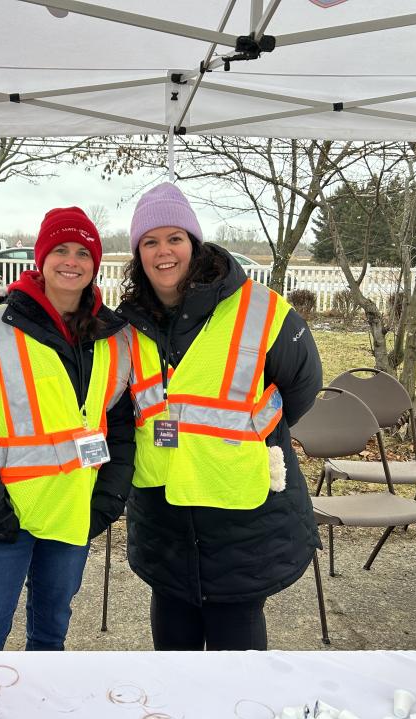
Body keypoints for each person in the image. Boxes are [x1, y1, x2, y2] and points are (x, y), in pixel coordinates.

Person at [116, 183, 323, 651]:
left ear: (195, 243)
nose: (163, 251)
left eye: (175, 238)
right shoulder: (127, 325)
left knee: (237, 663)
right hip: (163, 512)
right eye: (150, 242)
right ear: (137, 254)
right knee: (173, 650)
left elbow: (301, 388)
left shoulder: (261, 309)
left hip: (240, 508)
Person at [0, 206, 135, 651]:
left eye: (83, 252)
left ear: (95, 263)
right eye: (61, 250)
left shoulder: (113, 338)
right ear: (41, 259)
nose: (72, 261)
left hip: (71, 514)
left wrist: (106, 501)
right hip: (1, 519)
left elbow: (121, 429)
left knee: (50, 642)